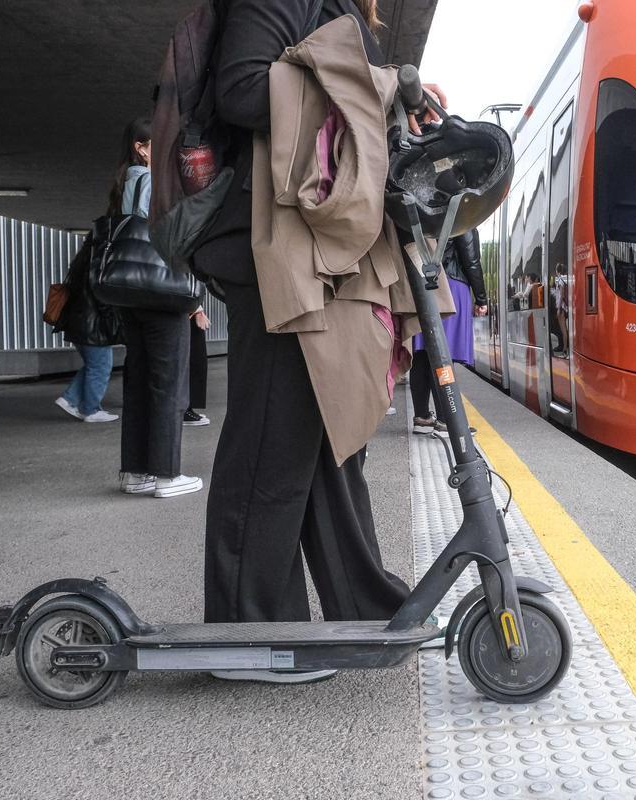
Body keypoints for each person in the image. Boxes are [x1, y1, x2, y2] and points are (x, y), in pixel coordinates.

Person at [193, 0, 445, 684]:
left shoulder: (327, 5)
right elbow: (242, 91)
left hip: (314, 248)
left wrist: (393, 91)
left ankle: (359, 607)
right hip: (276, 246)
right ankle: (249, 631)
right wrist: (381, 84)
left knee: (331, 441)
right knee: (271, 441)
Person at [111, 116, 201, 499]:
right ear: (141, 147)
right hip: (161, 294)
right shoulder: (151, 183)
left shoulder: (121, 184)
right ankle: (166, 474)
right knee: (168, 384)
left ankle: (135, 472)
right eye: (158, 144)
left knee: (138, 382)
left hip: (129, 294)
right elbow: (169, 236)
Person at [411, 228, 487, 434]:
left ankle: (422, 417)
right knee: (443, 355)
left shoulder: (425, 210)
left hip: (422, 283)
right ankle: (446, 420)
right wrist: (481, 298)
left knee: (422, 353)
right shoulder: (463, 213)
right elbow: (471, 261)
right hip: (450, 287)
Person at [184, 306, 210, 426]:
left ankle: (184, 408)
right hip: (182, 305)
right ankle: (184, 409)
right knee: (193, 355)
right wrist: (197, 309)